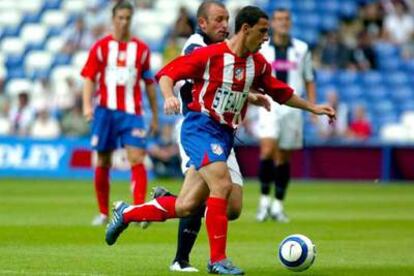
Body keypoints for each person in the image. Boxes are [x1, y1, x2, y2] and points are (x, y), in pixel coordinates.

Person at [105, 6, 335, 275]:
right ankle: (217, 260)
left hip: (225, 135)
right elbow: (167, 74)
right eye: (262, 32)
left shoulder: (258, 64)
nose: (266, 38)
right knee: (221, 184)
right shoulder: (210, 54)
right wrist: (169, 96)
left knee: (193, 205)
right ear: (246, 30)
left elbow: (280, 92)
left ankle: (127, 213)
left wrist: (313, 108)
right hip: (200, 128)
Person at [166, 1, 272, 272]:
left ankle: (163, 202)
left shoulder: (231, 51)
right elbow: (210, 79)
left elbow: (228, 78)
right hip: (198, 128)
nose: (225, 25)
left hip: (223, 132)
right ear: (202, 24)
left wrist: (248, 94)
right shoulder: (196, 46)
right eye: (218, 20)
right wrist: (247, 94)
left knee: (232, 207)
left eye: (227, 19)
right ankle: (183, 259)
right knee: (212, 191)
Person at [81, 1, 158, 226]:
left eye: (127, 18)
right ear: (113, 19)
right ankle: (104, 212)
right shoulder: (101, 47)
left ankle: (139, 211)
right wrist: (87, 106)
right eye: (120, 18)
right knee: (103, 161)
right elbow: (89, 77)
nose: (124, 22)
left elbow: (149, 84)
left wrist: (153, 115)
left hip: (131, 112)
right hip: (105, 111)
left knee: (137, 158)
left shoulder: (141, 50)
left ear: (131, 20)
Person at [255, 8, 316, 222]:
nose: (283, 22)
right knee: (267, 149)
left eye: (286, 19)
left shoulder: (302, 48)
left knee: (284, 156)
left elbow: (309, 78)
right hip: (269, 104)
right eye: (279, 19)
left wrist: (311, 107)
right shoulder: (262, 48)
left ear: (290, 22)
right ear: (272, 22)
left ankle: (277, 205)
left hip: (293, 106)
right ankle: (263, 203)